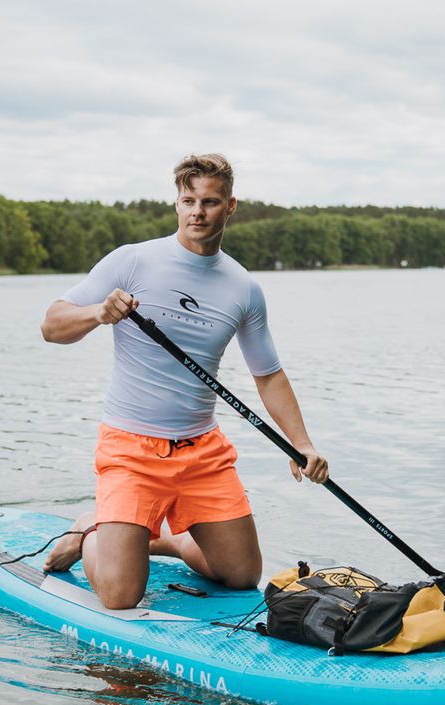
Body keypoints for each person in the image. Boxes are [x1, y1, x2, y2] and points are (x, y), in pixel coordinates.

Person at [40, 153, 328, 609]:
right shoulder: (133, 261)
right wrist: (98, 313)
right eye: (188, 201)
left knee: (240, 575)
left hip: (202, 453)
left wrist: (303, 444)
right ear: (176, 203)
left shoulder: (243, 288)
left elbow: (268, 374)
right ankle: (88, 528)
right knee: (120, 596)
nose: (198, 212)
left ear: (230, 207)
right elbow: (52, 326)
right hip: (131, 449)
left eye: (209, 202)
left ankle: (167, 540)